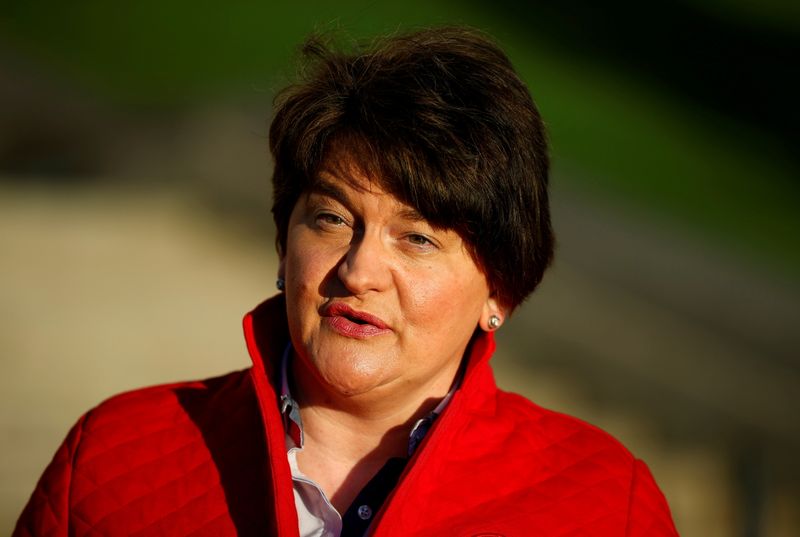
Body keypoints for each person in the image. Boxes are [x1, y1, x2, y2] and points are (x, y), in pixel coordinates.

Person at [14, 27, 678, 537]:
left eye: (417, 238)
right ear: (283, 238)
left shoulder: (604, 502)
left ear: (499, 288)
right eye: (332, 218)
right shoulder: (107, 457)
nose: (358, 271)